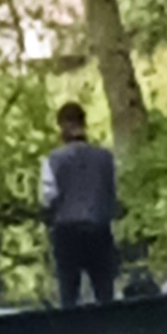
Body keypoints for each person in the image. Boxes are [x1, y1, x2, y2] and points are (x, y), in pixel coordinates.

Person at [38, 98, 119, 306]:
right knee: (105, 293)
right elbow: (112, 191)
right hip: (99, 228)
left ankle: (71, 327)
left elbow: (47, 197)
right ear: (84, 123)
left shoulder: (53, 160)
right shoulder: (105, 158)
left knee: (69, 295)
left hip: (67, 232)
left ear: (63, 126)